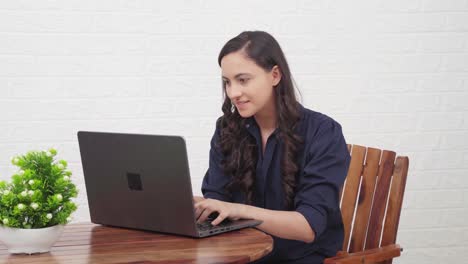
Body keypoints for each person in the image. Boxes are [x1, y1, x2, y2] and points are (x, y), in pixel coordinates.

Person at [194, 31, 351, 264]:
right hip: (242, 256)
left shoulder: (323, 132)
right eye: (227, 82)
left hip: (302, 259)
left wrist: (237, 210)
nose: (233, 93)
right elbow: (217, 198)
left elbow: (308, 226)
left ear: (275, 75)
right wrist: (196, 207)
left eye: (243, 80)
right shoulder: (227, 129)